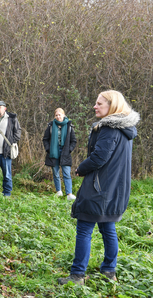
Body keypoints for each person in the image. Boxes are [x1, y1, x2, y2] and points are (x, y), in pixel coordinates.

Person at [58, 90, 140, 285]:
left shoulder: (109, 128)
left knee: (84, 229)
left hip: (99, 188)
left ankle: (77, 275)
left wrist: (81, 169)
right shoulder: (125, 129)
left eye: (99, 104)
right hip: (115, 189)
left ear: (111, 106)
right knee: (108, 227)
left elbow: (99, 157)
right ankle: (109, 271)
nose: (95, 106)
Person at [42, 108, 77, 200]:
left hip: (65, 152)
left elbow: (74, 141)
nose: (58, 117)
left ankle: (69, 194)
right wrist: (48, 149)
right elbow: (45, 139)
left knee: (66, 173)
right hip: (53, 152)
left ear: (63, 115)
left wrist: (69, 149)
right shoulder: (50, 126)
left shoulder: (69, 126)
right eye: (56, 115)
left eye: (59, 115)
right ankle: (59, 192)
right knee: (56, 173)